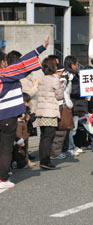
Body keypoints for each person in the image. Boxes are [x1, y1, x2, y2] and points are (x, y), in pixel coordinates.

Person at [0, 36, 49, 189]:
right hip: (7, 115)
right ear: (3, 62)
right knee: (6, 147)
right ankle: (2, 179)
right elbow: (22, 64)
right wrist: (40, 48)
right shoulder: (6, 73)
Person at [36, 57, 64, 170]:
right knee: (49, 137)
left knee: (43, 137)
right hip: (50, 111)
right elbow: (59, 96)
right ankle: (46, 161)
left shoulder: (41, 78)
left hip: (41, 111)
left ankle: (43, 159)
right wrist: (61, 87)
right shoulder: (54, 79)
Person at [63, 56, 88, 156]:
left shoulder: (71, 74)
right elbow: (73, 90)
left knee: (72, 128)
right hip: (72, 105)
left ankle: (71, 146)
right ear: (72, 64)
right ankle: (70, 147)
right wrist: (85, 91)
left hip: (75, 105)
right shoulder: (70, 75)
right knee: (71, 128)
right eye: (76, 64)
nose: (77, 66)